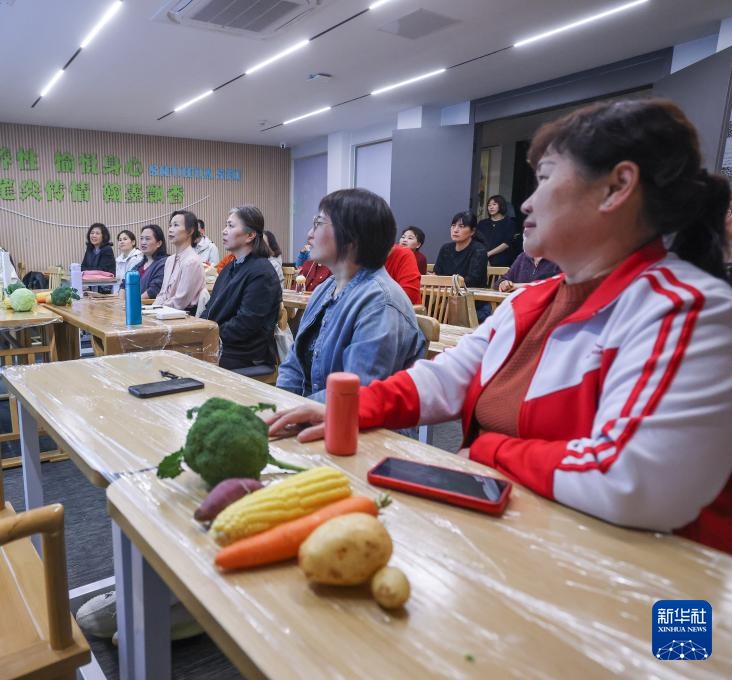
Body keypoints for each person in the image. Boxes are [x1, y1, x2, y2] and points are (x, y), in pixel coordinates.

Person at [266, 99, 732, 553]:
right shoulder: (533, 300)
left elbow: (635, 480)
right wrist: (348, 409)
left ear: (617, 187)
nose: (526, 203)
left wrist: (490, 451)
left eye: (544, 179)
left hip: (644, 575)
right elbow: (445, 378)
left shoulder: (688, 309)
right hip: (528, 540)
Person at [276, 188, 425, 401]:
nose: (309, 234)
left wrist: (296, 409)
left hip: (345, 419)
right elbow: (293, 365)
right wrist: (280, 403)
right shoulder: (324, 289)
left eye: (318, 224)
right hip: (309, 412)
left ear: (351, 238)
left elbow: (353, 395)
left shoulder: (380, 304)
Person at [201, 205, 282, 370]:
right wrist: (199, 329)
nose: (224, 231)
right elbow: (210, 307)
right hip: (222, 344)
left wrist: (210, 335)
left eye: (231, 226)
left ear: (250, 235)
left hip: (245, 354)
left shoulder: (261, 272)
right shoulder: (230, 267)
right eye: (226, 225)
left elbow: (246, 324)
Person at [155, 210, 205, 313]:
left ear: (190, 231)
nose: (170, 229)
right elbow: (162, 293)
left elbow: (180, 302)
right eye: (170, 225)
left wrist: (157, 309)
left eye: (176, 225)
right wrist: (152, 308)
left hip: (184, 316)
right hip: (164, 312)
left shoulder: (192, 261)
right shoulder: (169, 260)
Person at [434, 211, 488, 289]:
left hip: (471, 294)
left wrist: (446, 283)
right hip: (445, 292)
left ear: (472, 231)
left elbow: (472, 280)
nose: (455, 230)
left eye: (461, 226)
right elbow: (437, 274)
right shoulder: (445, 248)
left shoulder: (479, 250)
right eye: (453, 225)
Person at [123, 224, 168, 299]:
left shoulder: (164, 263)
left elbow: (153, 290)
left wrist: (134, 302)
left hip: (148, 305)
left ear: (159, 243)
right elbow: (124, 283)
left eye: (147, 239)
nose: (143, 242)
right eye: (141, 238)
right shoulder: (139, 265)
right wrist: (121, 301)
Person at [476, 195, 519, 267]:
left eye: (494, 204)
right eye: (489, 205)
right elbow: (478, 241)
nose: (491, 207)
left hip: (501, 261)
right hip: (482, 260)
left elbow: (506, 243)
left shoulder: (509, 223)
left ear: (501, 206)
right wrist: (484, 257)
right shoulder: (482, 223)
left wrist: (488, 254)